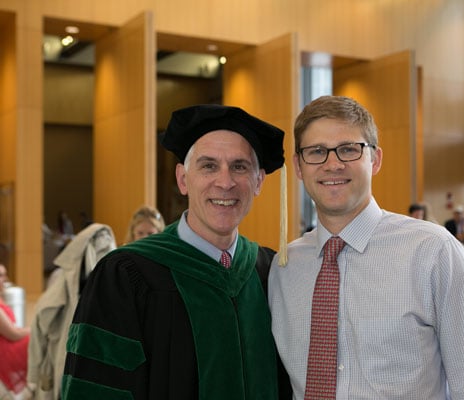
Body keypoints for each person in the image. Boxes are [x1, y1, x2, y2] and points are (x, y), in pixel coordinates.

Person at [269, 95, 464, 399]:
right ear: (299, 167)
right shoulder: (285, 268)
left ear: (375, 159)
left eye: (349, 149)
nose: (333, 164)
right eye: (316, 152)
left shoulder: (433, 252)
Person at [61, 104, 288, 400]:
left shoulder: (270, 272)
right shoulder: (125, 275)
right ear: (183, 179)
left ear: (258, 181)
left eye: (239, 167)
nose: (225, 182)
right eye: (209, 166)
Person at [28, 223, 117, 399]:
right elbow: (42, 319)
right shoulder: (61, 280)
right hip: (67, 357)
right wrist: (34, 372)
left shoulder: (115, 277)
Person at [0, 263, 30, 398]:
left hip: (8, 343)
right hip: (4, 350)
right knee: (38, 339)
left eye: (5, 275)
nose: (5, 279)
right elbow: (13, 334)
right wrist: (34, 329)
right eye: (0, 276)